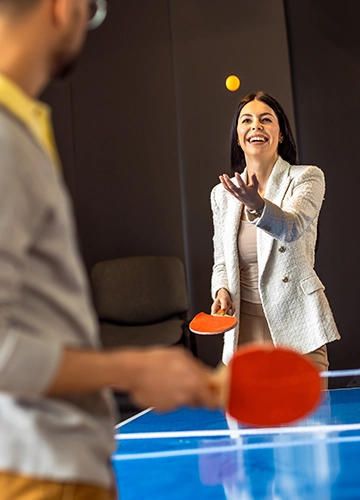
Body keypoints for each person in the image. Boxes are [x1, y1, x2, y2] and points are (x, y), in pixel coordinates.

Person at [0, 0, 217, 498]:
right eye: (91, 9)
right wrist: (133, 368)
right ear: (63, 7)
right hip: (39, 470)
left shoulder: (21, 127)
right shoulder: (5, 139)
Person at [210, 92, 340, 372]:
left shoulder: (306, 177)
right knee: (246, 417)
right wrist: (221, 290)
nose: (256, 126)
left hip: (298, 326)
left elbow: (291, 227)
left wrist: (257, 205)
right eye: (247, 120)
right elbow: (221, 259)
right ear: (238, 136)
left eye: (266, 119)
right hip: (243, 329)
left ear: (280, 134)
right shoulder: (222, 194)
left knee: (310, 418)